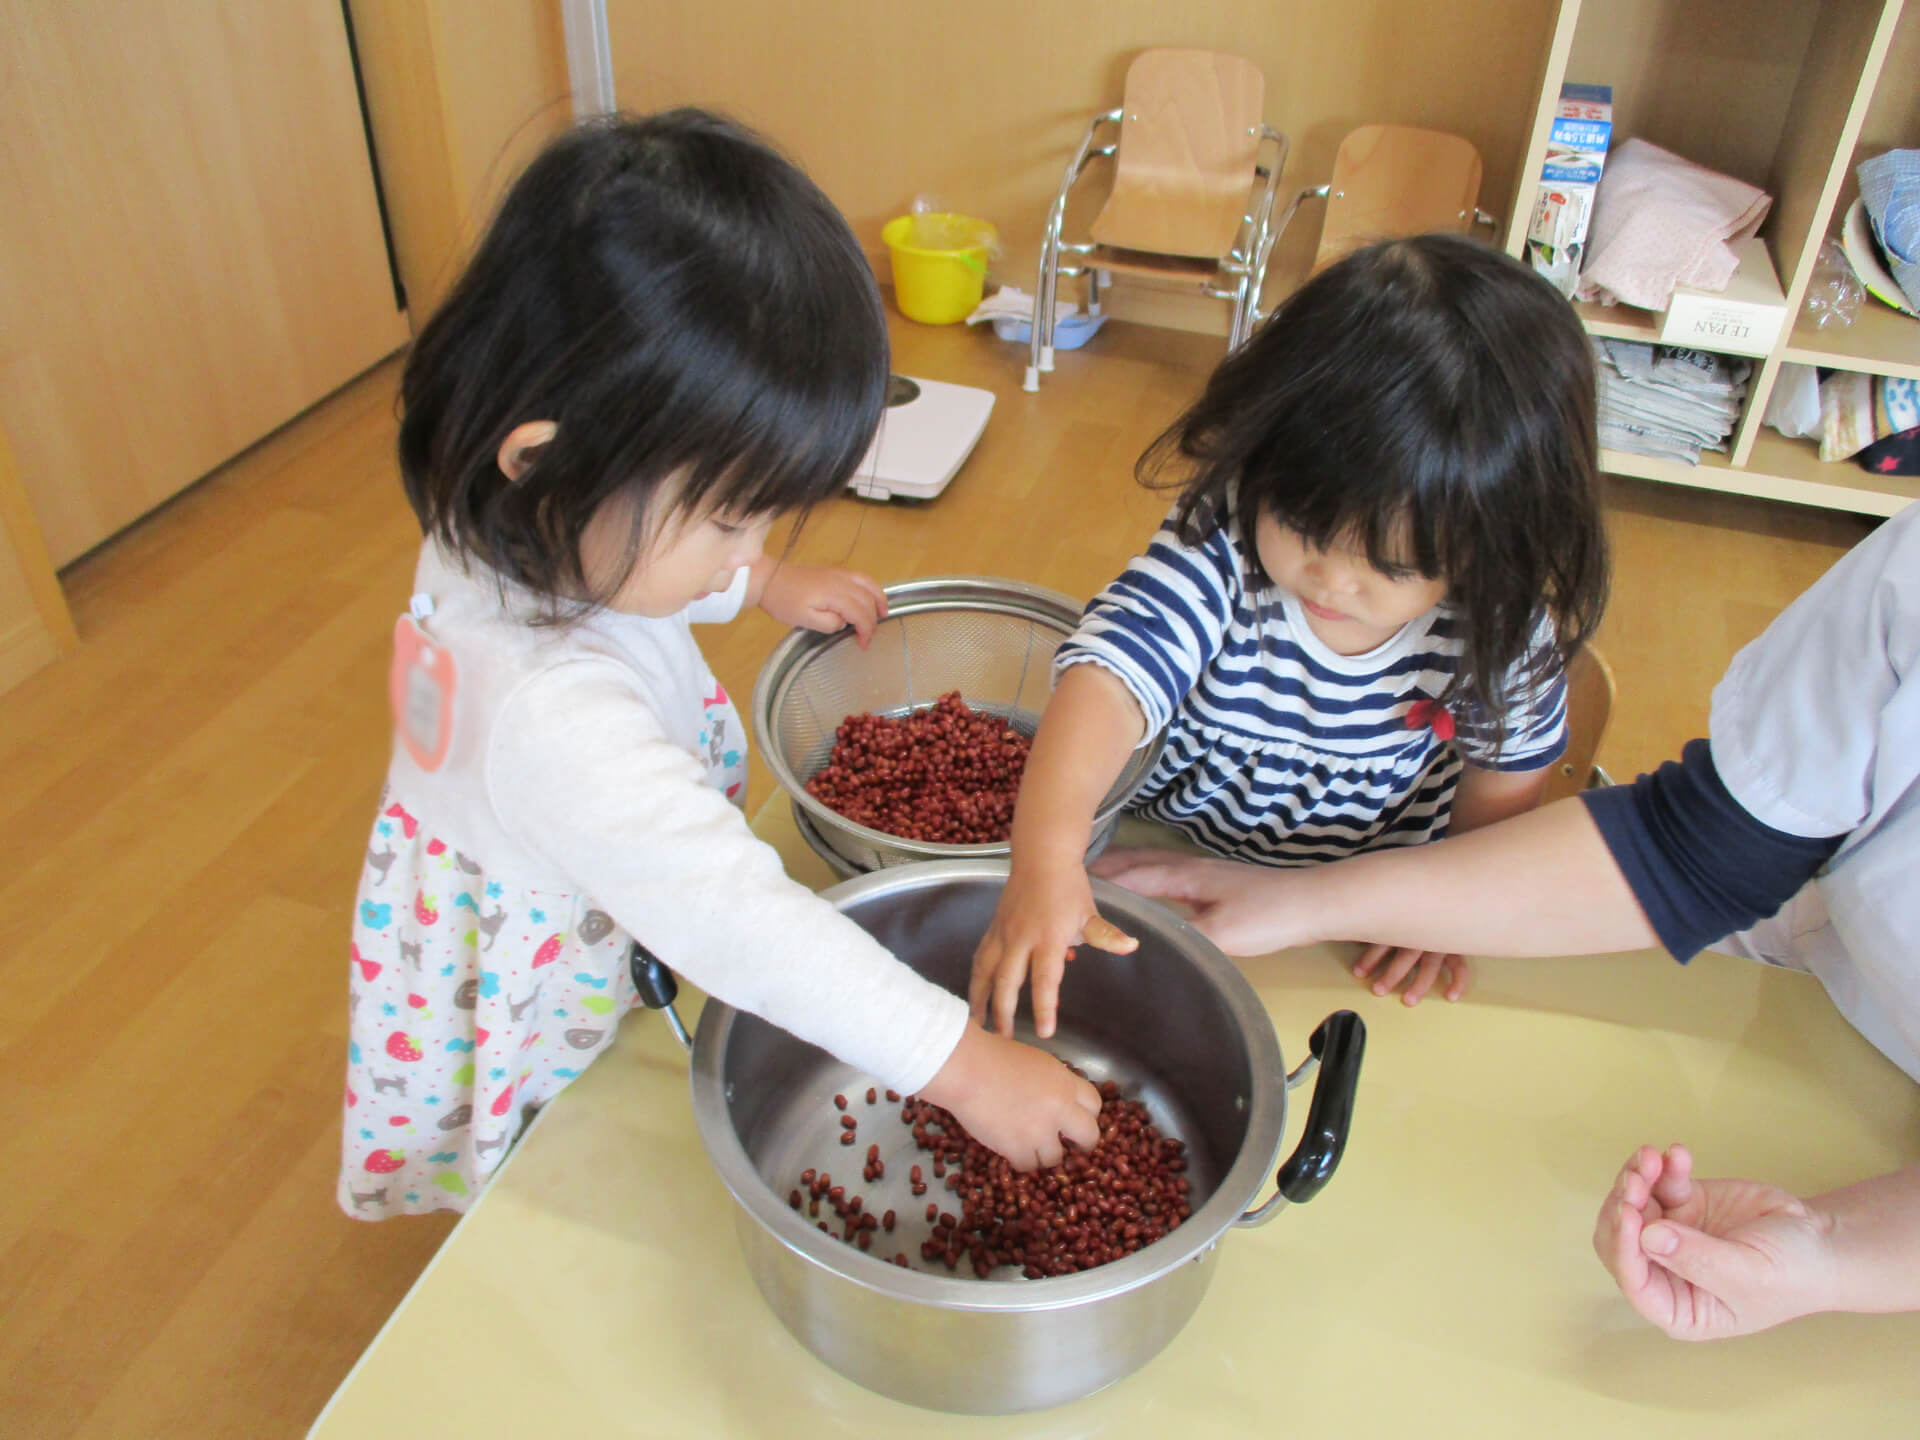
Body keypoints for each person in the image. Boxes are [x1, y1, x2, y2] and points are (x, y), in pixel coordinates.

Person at [339, 110, 1099, 1220]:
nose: (752, 552)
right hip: (534, 956)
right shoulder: (553, 717)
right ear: (548, 467)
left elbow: (629, 560)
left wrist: (755, 586)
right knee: (556, 1161)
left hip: (568, 858)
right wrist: (964, 1066)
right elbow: (738, 917)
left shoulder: (516, 517)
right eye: (733, 525)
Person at [1094, 501, 1920, 1337]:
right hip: (1796, 961)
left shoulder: (1494, 640)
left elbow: (1524, 786)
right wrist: (1325, 902)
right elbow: (1701, 850)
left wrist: (1830, 1258)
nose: (1339, 576)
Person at [970, 234, 1610, 1038]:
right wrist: (1048, 859)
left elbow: (1501, 801)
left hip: (1360, 917)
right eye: (1304, 524)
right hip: (1162, 856)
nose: (1332, 580)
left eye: (1394, 563)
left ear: (1493, 543)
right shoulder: (1221, 546)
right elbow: (1106, 679)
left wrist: (1442, 915)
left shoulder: (1500, 635)